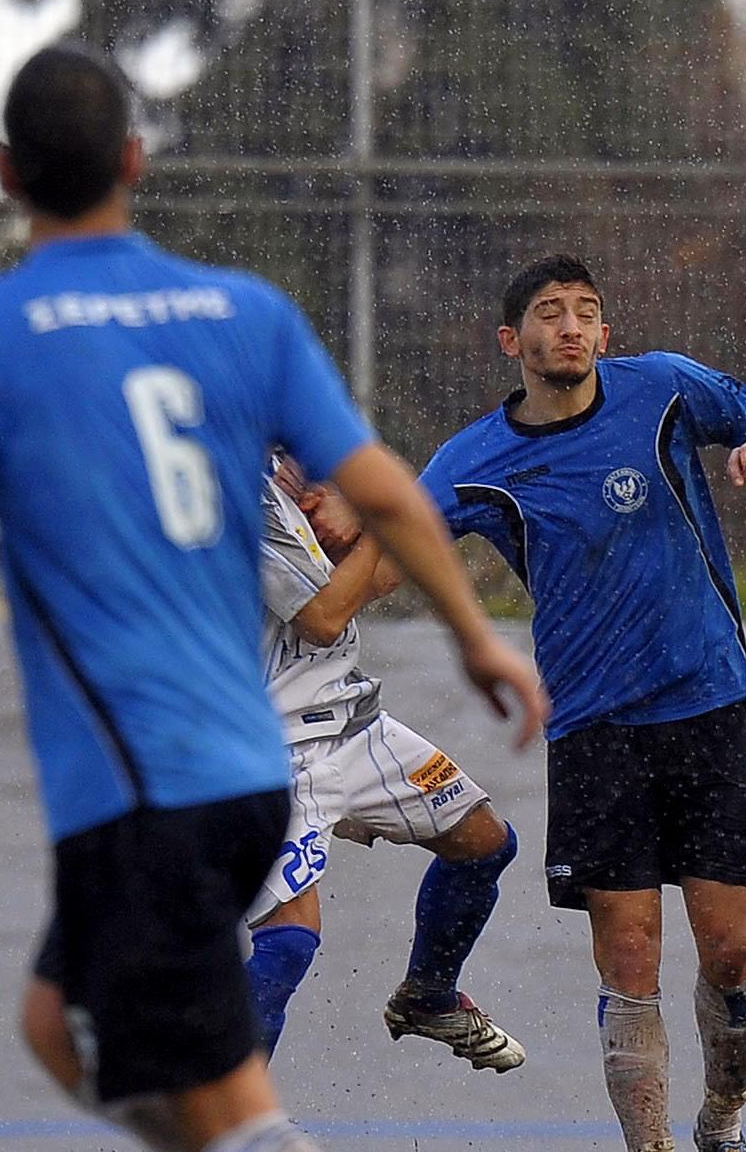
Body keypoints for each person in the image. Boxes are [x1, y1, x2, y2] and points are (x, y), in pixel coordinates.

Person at [0, 44, 548, 1152]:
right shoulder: (242, 316)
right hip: (249, 769)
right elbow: (398, 494)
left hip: (147, 769)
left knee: (127, 1035)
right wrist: (479, 643)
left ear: (2, 174)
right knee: (86, 1030)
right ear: (134, 161)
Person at [380, 253, 746, 1152]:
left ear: (604, 335)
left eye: (585, 313)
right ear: (513, 341)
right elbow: (398, 541)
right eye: (549, 313)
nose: (569, 327)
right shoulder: (478, 456)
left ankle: (722, 1116)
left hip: (705, 707)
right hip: (592, 729)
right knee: (629, 959)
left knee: (730, 954)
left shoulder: (661, 389)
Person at [243, 457, 525, 1073]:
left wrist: (392, 516)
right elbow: (322, 618)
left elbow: (373, 578)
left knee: (484, 842)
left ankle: (428, 996)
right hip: (271, 749)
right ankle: (219, 1120)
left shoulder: (291, 467)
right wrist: (378, 513)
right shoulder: (234, 486)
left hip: (351, 724)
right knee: (289, 942)